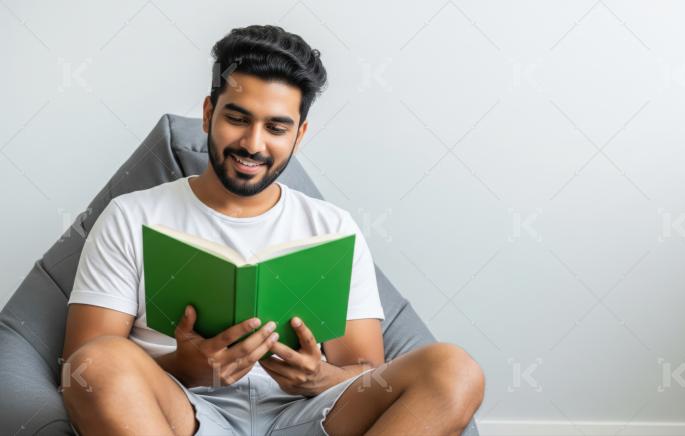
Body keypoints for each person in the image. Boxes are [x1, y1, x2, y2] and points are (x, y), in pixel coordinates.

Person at [59, 24, 484, 435]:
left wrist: (320, 377)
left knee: (455, 370)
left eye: (276, 128)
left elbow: (367, 371)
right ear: (208, 114)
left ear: (299, 135)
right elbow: (79, 368)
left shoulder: (331, 227)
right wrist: (185, 368)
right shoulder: (131, 216)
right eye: (237, 118)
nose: (253, 144)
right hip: (183, 412)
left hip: (308, 417)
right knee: (97, 364)